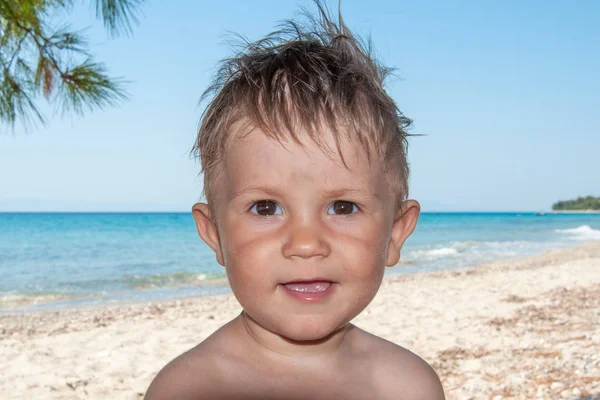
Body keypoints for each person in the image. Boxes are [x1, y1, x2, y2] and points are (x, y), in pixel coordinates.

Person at [145, 2, 445, 399]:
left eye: (342, 207)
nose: (305, 243)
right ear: (214, 233)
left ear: (395, 232)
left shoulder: (409, 386)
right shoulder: (188, 390)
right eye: (266, 208)